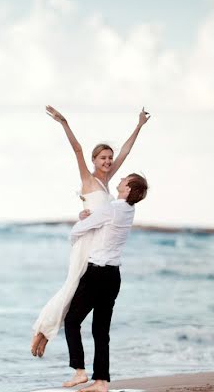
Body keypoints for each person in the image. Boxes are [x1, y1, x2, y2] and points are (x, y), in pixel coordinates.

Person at [30, 106, 150, 358]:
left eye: (109, 157)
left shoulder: (109, 183)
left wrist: (139, 126)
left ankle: (45, 333)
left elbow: (126, 152)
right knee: (71, 287)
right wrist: (64, 123)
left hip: (100, 246)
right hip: (86, 243)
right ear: (94, 161)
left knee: (76, 293)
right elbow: (77, 149)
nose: (107, 161)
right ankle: (42, 332)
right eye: (102, 158)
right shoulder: (88, 178)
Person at [62, 173, 148, 392]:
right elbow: (100, 223)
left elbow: (78, 230)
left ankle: (79, 371)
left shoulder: (112, 208)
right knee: (101, 330)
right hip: (113, 277)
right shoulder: (129, 210)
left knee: (72, 321)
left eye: (124, 180)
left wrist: (76, 246)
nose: (119, 180)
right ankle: (101, 381)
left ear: (127, 189)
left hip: (96, 274)